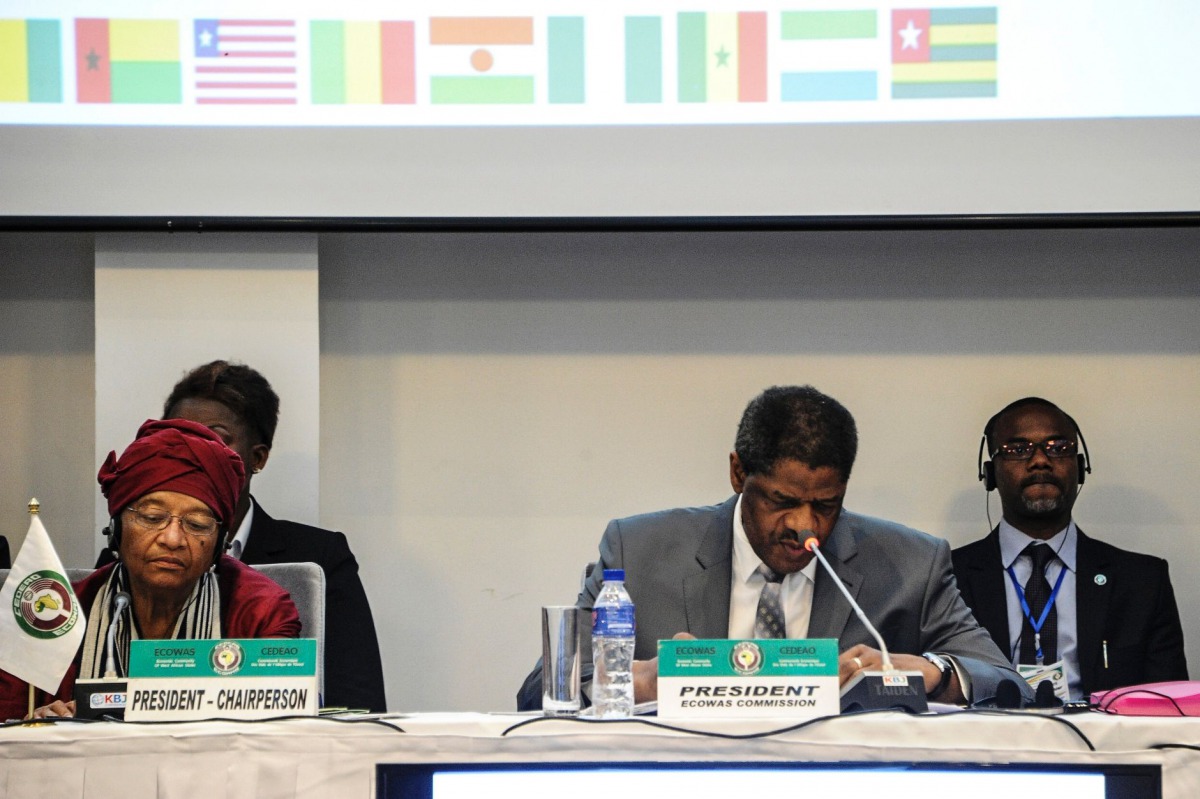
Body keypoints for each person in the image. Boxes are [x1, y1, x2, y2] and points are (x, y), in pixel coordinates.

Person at [518, 385, 1023, 710]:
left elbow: (1007, 682)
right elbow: (538, 690)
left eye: (826, 504)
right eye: (782, 501)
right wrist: (640, 681)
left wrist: (934, 673)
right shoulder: (639, 550)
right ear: (739, 473)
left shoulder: (910, 564)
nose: (805, 526)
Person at [98, 361, 387, 712]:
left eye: (216, 438)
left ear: (258, 457)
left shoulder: (319, 557)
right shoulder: (128, 559)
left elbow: (360, 701)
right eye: (180, 438)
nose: (196, 453)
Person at [1, 418, 300, 720]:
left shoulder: (260, 610)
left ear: (220, 542)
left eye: (196, 524)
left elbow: (281, 724)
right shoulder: (51, 615)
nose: (172, 539)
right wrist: (37, 725)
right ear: (116, 528)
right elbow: (8, 724)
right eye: (152, 517)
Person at [953, 397, 1188, 701]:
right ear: (990, 475)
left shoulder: (1142, 582)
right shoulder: (948, 576)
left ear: (1079, 468)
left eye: (1058, 448)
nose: (1040, 460)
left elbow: (1167, 706)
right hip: (981, 743)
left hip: (1102, 745)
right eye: (1018, 450)